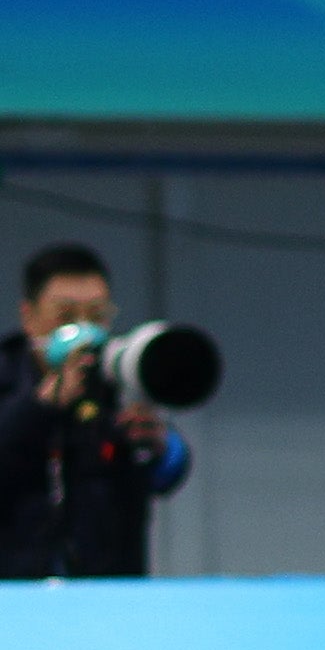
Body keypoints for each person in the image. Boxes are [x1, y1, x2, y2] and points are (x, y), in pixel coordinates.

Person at [0, 243, 193, 580]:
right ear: (29, 317)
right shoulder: (7, 376)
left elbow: (165, 476)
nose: (82, 330)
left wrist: (162, 446)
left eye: (96, 315)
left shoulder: (120, 377)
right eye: (65, 317)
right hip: (16, 592)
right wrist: (40, 407)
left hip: (109, 591)